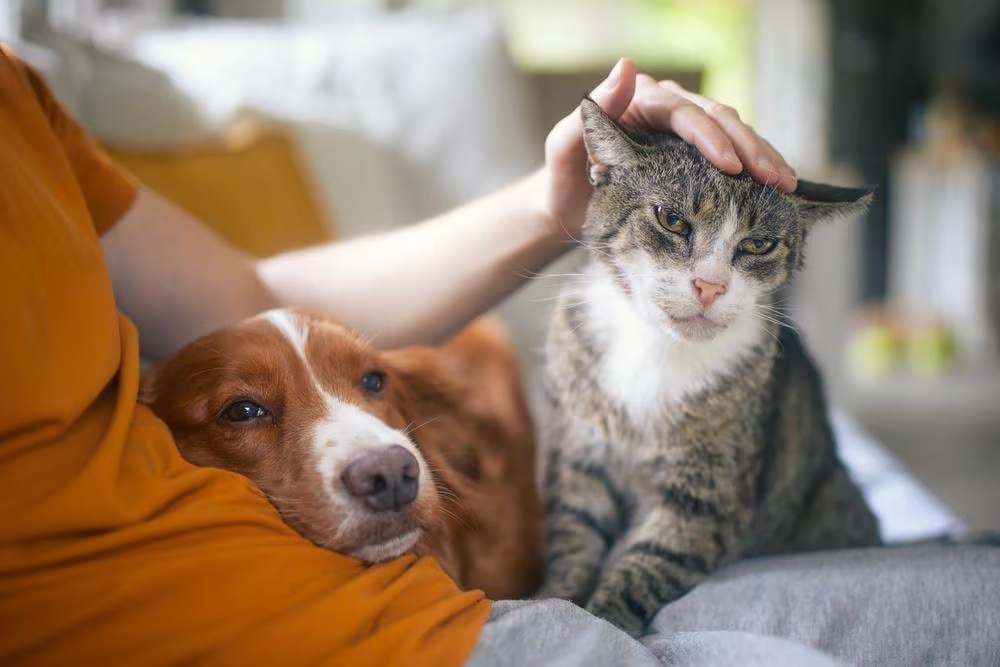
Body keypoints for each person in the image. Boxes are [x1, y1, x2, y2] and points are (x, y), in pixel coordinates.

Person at [3, 42, 998, 667]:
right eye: (247, 411)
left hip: (455, 611)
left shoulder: (23, 106)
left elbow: (252, 305)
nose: (385, 454)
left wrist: (550, 201)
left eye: (375, 384)